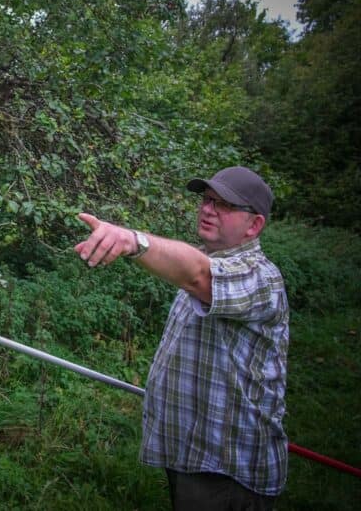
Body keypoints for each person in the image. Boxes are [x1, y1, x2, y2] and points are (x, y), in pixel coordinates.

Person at [74, 166, 288, 510]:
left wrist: (132, 240)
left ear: (254, 225)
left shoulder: (262, 279)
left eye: (224, 205)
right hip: (192, 456)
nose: (207, 209)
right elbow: (195, 268)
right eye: (207, 199)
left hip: (227, 471)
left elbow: (199, 275)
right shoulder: (209, 261)